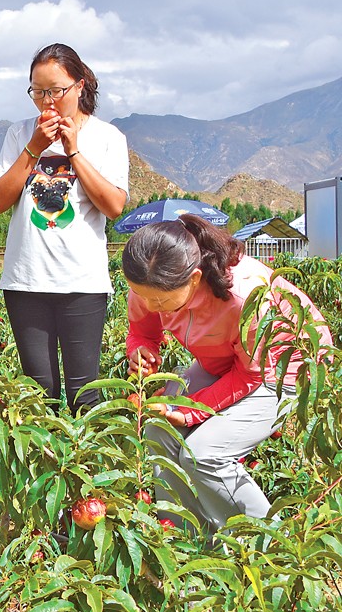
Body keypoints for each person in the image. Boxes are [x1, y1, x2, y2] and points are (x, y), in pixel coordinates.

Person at [123, 214, 333, 532]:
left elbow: (251, 374)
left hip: (283, 369)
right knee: (157, 429)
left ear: (194, 279)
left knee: (205, 454)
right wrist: (141, 349)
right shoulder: (151, 286)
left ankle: (270, 548)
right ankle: (187, 540)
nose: (152, 307)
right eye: (144, 297)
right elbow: (144, 330)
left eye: (161, 301)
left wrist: (189, 410)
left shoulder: (243, 298)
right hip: (224, 360)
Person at [0, 43, 129, 412]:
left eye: (56, 91)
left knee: (85, 393)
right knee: (38, 395)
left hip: (81, 282)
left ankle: (89, 465)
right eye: (38, 92)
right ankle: (46, 468)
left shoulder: (107, 137)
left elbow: (113, 205)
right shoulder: (20, 134)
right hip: (26, 280)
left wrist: (73, 151)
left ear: (80, 86)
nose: (47, 101)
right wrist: (34, 147)